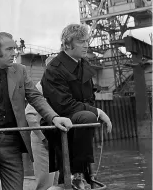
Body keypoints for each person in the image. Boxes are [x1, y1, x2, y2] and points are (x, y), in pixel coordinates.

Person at [0, 32, 72, 190]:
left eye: (14, 49)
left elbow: (35, 97)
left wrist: (54, 118)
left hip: (13, 141)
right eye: (9, 49)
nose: (14, 53)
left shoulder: (20, 71)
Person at [41, 24, 112, 190]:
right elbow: (63, 104)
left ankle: (80, 175)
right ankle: (77, 174)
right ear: (67, 45)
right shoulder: (54, 69)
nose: (86, 44)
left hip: (78, 122)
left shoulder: (83, 65)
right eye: (81, 41)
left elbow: (90, 98)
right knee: (87, 117)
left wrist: (93, 110)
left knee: (87, 117)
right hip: (59, 122)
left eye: (86, 40)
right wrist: (98, 112)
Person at [25, 55, 56, 190]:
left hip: (55, 140)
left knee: (56, 183)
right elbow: (30, 114)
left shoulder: (57, 86)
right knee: (45, 183)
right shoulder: (42, 86)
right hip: (44, 141)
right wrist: (43, 139)